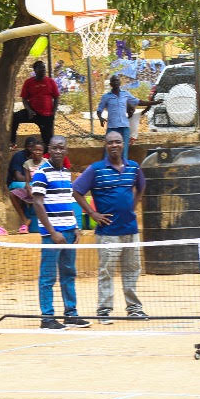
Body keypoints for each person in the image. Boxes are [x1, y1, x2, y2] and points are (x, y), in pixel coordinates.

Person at [73, 131, 147, 323]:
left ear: (123, 145)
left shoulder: (133, 167)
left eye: (117, 142)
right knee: (106, 271)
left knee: (132, 270)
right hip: (108, 233)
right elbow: (77, 191)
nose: (114, 145)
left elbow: (141, 186)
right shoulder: (96, 169)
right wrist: (92, 213)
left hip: (130, 230)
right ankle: (104, 311)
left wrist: (134, 205)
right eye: (110, 143)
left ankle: (134, 309)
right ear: (105, 146)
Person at [31, 135, 89, 330]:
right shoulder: (41, 173)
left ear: (66, 151)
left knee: (69, 273)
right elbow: (37, 203)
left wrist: (75, 227)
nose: (57, 151)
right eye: (54, 148)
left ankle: (70, 314)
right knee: (48, 276)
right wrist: (52, 232)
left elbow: (68, 201)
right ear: (49, 149)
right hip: (52, 235)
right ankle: (47, 317)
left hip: (69, 233)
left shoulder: (66, 173)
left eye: (61, 148)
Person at [97, 75, 159, 161]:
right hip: (112, 127)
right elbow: (99, 109)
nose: (116, 82)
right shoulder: (106, 97)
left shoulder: (125, 94)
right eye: (114, 81)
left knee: (124, 150)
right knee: (108, 150)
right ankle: (105, 168)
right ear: (111, 84)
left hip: (124, 126)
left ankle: (123, 168)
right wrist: (100, 117)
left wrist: (154, 102)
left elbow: (139, 102)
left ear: (120, 83)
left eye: (117, 81)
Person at [10, 61, 60, 148]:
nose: (43, 70)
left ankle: (46, 155)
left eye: (44, 68)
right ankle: (12, 142)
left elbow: (56, 97)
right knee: (15, 117)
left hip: (46, 115)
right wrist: (29, 110)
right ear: (35, 70)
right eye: (41, 68)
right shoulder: (28, 82)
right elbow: (24, 99)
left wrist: (53, 112)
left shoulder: (50, 81)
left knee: (47, 140)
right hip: (32, 113)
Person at [4, 136, 40, 234]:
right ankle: (24, 219)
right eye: (30, 147)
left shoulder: (40, 160)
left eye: (35, 149)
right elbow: (18, 177)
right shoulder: (19, 157)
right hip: (15, 183)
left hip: (30, 183)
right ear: (26, 148)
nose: (33, 150)